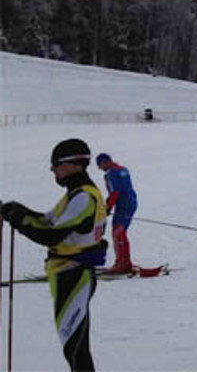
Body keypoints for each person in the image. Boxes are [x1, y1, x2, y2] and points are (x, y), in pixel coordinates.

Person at [0, 138, 107, 371]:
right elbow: (46, 221)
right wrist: (17, 210)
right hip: (68, 275)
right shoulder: (75, 194)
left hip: (74, 276)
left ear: (75, 164)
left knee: (74, 347)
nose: (53, 169)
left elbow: (50, 236)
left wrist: (19, 221)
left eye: (56, 164)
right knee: (75, 347)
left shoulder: (83, 197)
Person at [96, 153, 138, 274]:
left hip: (123, 205)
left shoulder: (111, 174)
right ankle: (124, 261)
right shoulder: (122, 169)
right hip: (131, 202)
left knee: (117, 232)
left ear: (105, 162)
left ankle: (122, 264)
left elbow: (115, 193)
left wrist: (108, 207)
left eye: (100, 165)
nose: (100, 168)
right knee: (120, 232)